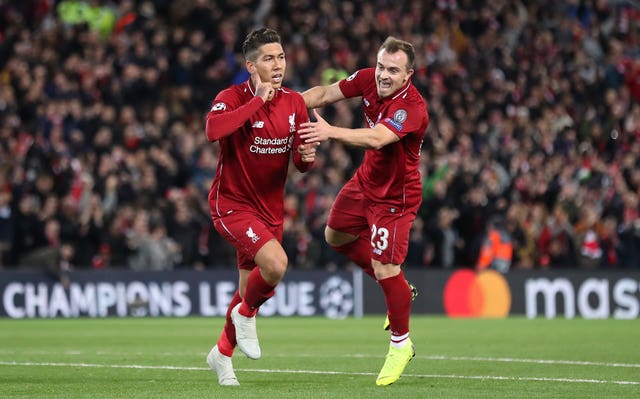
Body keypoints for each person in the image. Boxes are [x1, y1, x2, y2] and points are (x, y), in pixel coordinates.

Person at [300, 36, 429, 386]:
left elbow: (378, 139)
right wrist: (287, 105)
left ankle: (401, 344)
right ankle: (400, 289)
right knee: (334, 235)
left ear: (408, 74)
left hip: (394, 197)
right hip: (365, 182)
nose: (384, 75)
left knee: (384, 265)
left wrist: (328, 132)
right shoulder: (368, 78)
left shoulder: (412, 107)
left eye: (393, 70)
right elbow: (325, 94)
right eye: (382, 66)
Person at [203, 28, 318, 386]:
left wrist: (306, 156)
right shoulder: (233, 96)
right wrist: (257, 102)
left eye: (281, 56)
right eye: (268, 58)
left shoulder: (295, 103)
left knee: (247, 286)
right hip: (232, 204)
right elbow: (212, 129)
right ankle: (247, 315)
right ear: (251, 65)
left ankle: (221, 355)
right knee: (276, 263)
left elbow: (300, 163)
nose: (278, 64)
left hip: (269, 210)